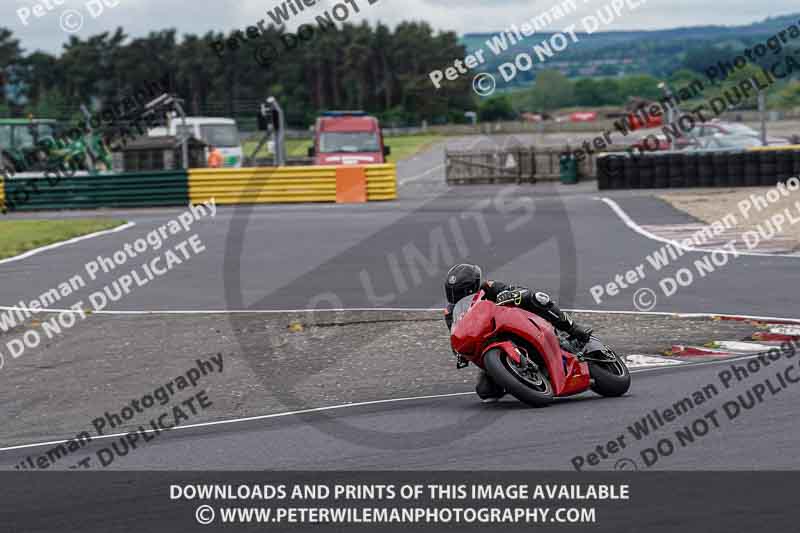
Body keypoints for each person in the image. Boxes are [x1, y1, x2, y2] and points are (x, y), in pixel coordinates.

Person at [443, 263, 593, 402]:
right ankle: (520, 378)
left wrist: (512, 294)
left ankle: (572, 329)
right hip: (486, 342)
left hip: (513, 322)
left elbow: (515, 289)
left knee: (538, 298)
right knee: (486, 392)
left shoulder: (488, 287)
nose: (455, 295)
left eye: (459, 290)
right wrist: (459, 352)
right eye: (452, 291)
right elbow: (456, 333)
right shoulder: (450, 312)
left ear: (472, 286)